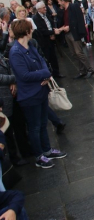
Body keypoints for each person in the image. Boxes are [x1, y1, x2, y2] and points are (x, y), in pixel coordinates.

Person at [8, 20, 67, 169]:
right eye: (30, 29)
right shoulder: (15, 52)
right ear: (26, 31)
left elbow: (42, 63)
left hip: (40, 91)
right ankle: (39, 156)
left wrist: (45, 74)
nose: (32, 30)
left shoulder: (31, 45)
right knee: (34, 127)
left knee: (42, 124)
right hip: (29, 95)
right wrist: (43, 74)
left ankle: (47, 150)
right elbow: (24, 75)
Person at [57, 0, 94, 79]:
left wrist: (70, 27)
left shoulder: (73, 6)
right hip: (67, 34)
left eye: (59, 1)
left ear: (63, 1)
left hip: (74, 33)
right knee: (74, 53)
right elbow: (65, 21)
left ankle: (89, 69)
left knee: (78, 52)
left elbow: (79, 19)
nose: (59, 3)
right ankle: (82, 70)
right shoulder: (64, 10)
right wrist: (61, 28)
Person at [32, 2, 64, 78]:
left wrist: (53, 33)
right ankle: (49, 74)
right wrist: (52, 32)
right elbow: (41, 30)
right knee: (47, 57)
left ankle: (56, 73)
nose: (45, 8)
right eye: (43, 7)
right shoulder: (36, 18)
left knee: (54, 57)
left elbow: (52, 23)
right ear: (39, 9)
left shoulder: (47, 15)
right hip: (44, 41)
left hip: (51, 38)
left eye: (45, 7)